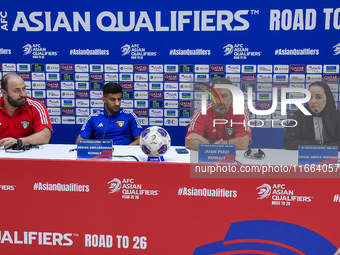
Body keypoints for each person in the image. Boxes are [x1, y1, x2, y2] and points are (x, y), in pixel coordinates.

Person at [185, 78, 251, 151]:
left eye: (224, 96)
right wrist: (217, 146)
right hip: (206, 158)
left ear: (232, 98)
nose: (219, 101)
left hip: (234, 158)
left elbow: (243, 143)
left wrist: (207, 142)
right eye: (215, 96)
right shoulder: (202, 111)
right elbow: (189, 141)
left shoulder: (241, 111)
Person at [76, 82, 142, 145]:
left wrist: (124, 150)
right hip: (101, 155)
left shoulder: (129, 116)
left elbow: (142, 139)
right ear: (104, 99)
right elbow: (79, 142)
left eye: (119, 99)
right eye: (112, 99)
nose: (117, 103)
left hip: (125, 155)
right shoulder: (93, 118)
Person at [0, 73, 52, 149]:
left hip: (28, 155)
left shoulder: (35, 106)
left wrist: (19, 142)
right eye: (16, 91)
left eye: (24, 89)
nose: (22, 94)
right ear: (4, 93)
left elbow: (45, 136)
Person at [283, 81, 340, 150]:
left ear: (327, 98)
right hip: (305, 157)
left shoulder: (337, 116)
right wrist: (315, 144)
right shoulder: (300, 115)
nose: (313, 101)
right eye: (310, 97)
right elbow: (288, 142)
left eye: (318, 97)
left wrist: (324, 148)